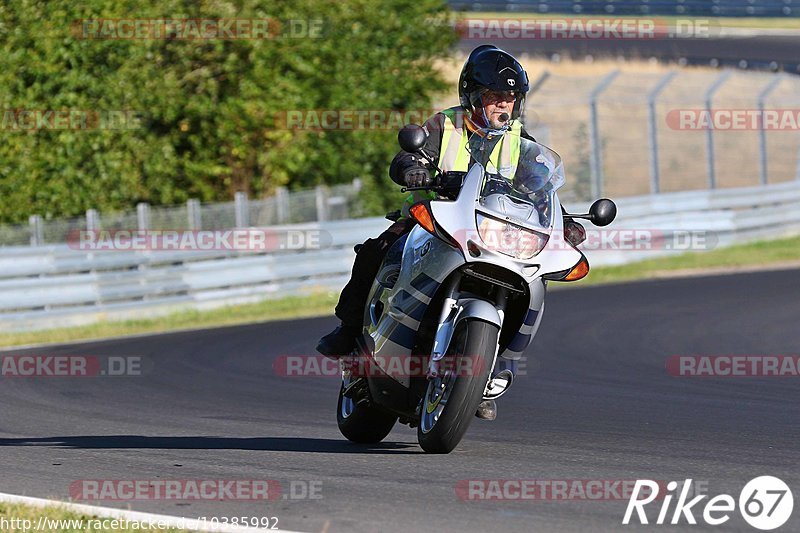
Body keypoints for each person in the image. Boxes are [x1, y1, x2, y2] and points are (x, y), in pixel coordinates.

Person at [316, 45, 538, 420]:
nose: (504, 106)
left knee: (533, 275)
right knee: (376, 250)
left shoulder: (521, 141)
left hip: (492, 231)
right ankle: (349, 330)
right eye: (495, 97)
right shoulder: (443, 125)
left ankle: (488, 369)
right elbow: (405, 157)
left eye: (510, 99)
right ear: (472, 96)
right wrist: (411, 168)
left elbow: (538, 183)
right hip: (433, 220)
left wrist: (563, 217)